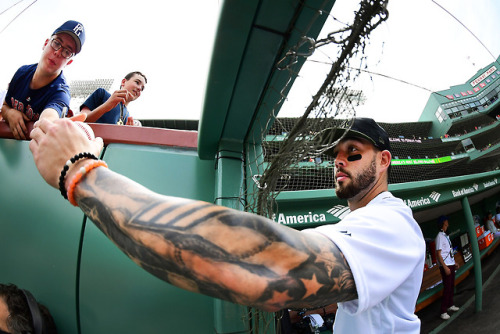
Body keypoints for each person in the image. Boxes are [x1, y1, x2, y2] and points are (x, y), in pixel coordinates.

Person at [29, 117, 425, 333]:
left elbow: (273, 268)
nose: (339, 161)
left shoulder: (391, 222)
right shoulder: (360, 221)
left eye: (353, 153)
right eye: (334, 156)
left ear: (385, 161)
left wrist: (79, 171)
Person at [1, 20, 85, 140]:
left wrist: (48, 124)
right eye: (56, 43)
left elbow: (49, 119)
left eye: (67, 51)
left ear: (69, 61)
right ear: (46, 43)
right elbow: (5, 105)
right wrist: (10, 113)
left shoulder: (61, 93)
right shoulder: (21, 73)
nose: (58, 52)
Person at [80, 71, 147, 125]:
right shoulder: (102, 94)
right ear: (123, 82)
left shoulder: (128, 116)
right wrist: (106, 106)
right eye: (137, 82)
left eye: (142, 88)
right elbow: (81, 120)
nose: (139, 88)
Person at [435, 216, 459, 320]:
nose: (448, 224)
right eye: (446, 223)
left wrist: (454, 262)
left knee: (451, 286)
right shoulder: (439, 237)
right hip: (446, 266)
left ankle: (450, 305)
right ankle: (443, 311)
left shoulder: (445, 236)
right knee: (447, 287)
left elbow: (448, 252)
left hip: (451, 263)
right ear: (442, 224)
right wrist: (445, 267)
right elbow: (439, 254)